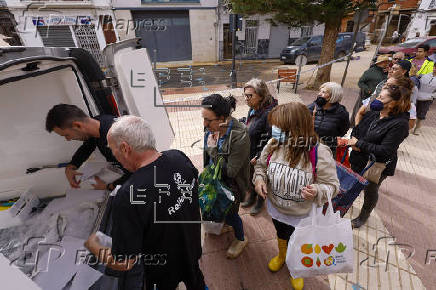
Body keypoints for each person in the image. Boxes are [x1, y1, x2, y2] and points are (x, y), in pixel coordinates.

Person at [85, 116, 206, 290]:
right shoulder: (178, 157)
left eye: (113, 151)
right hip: (192, 248)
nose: (115, 157)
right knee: (195, 280)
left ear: (125, 148)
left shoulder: (127, 195)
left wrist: (94, 246)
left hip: (162, 270)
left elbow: (124, 263)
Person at [253, 102, 339, 290]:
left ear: (296, 129)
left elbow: (333, 186)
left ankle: (296, 268)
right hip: (277, 208)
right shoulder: (274, 144)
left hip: (302, 214)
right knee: (281, 234)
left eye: (279, 127)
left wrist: (317, 190)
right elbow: (260, 166)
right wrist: (259, 180)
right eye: (273, 126)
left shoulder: (319, 152)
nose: (274, 131)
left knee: (299, 241)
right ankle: (282, 256)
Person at [348, 80, 412, 229]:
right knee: (353, 183)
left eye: (381, 99)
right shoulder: (375, 113)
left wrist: (359, 144)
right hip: (359, 157)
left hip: (377, 165)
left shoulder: (400, 124)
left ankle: (364, 215)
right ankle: (346, 204)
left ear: (394, 103)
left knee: (370, 190)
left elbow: (385, 150)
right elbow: (358, 129)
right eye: (378, 96)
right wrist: (354, 141)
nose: (376, 100)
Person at [202, 94, 250, 258]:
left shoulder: (240, 136)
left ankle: (241, 238)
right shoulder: (212, 129)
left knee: (231, 213)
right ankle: (226, 223)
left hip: (232, 184)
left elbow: (231, 171)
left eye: (208, 120)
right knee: (218, 208)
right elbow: (207, 155)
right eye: (203, 119)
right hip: (216, 179)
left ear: (222, 118)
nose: (204, 124)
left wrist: (213, 149)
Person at [45, 104, 129, 190]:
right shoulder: (99, 122)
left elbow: (137, 172)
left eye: (67, 135)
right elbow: (87, 146)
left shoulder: (116, 139)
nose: (68, 139)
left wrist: (108, 186)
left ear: (78, 125)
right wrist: (71, 166)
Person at [240, 78, 278, 215]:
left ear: (261, 96)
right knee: (250, 177)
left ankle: (260, 201)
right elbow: (253, 125)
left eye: (250, 96)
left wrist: (258, 155)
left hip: (259, 155)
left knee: (260, 178)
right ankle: (251, 197)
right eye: (245, 95)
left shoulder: (269, 113)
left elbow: (270, 139)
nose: (246, 99)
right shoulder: (253, 108)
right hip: (250, 150)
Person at [355, 61, 418, 129]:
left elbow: (411, 120)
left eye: (394, 69)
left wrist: (390, 129)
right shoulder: (381, 84)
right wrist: (358, 128)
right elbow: (363, 109)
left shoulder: (411, 89)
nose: (390, 71)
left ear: (404, 71)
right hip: (370, 123)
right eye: (391, 68)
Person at [307, 82, 350, 156]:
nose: (319, 94)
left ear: (333, 96)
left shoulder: (341, 113)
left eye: (323, 92)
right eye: (320, 91)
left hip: (327, 150)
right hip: (308, 148)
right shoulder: (311, 107)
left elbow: (343, 130)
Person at [352, 55, 389, 126]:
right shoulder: (370, 72)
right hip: (368, 97)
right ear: (380, 63)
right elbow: (360, 82)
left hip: (380, 98)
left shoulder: (386, 72)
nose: (387, 63)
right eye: (385, 62)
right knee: (363, 113)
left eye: (387, 62)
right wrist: (367, 89)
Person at [413, 64, 436, 135]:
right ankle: (410, 126)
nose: (435, 69)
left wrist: (432, 96)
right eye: (435, 67)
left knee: (421, 114)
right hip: (417, 96)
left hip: (427, 99)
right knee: (412, 112)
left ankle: (417, 128)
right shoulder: (424, 75)